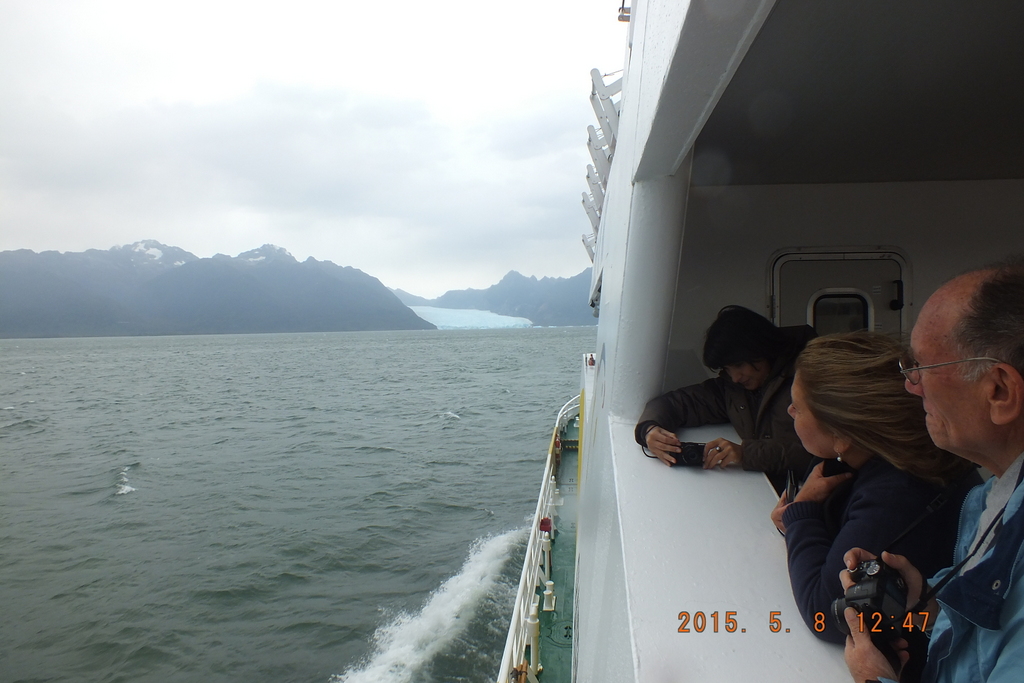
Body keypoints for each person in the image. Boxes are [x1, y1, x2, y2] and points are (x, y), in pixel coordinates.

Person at [842, 257, 1024, 683]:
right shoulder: (992, 495)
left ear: (999, 391)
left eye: (922, 367)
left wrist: (876, 680)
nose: (911, 385)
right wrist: (925, 606)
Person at [770, 332, 977, 680]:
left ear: (841, 436)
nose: (790, 411)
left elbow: (825, 612)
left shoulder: (898, 493)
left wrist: (801, 514)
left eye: (798, 407)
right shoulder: (879, 457)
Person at [634, 305, 814, 491]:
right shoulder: (732, 389)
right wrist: (649, 429)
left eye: (739, 365)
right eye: (727, 369)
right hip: (766, 495)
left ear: (762, 349)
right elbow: (678, 402)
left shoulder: (809, 379)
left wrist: (746, 454)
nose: (735, 377)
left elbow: (822, 452)